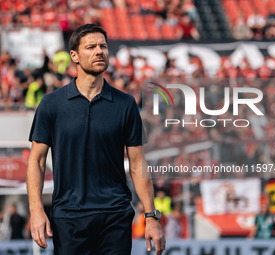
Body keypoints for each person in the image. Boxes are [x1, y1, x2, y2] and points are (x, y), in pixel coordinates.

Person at [27, 24, 165, 255]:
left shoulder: (126, 104)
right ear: (75, 56)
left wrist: (151, 216)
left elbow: (138, 163)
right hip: (68, 217)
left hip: (115, 216)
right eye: (90, 47)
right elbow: (37, 161)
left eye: (103, 46)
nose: (99, 51)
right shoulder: (51, 104)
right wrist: (36, 210)